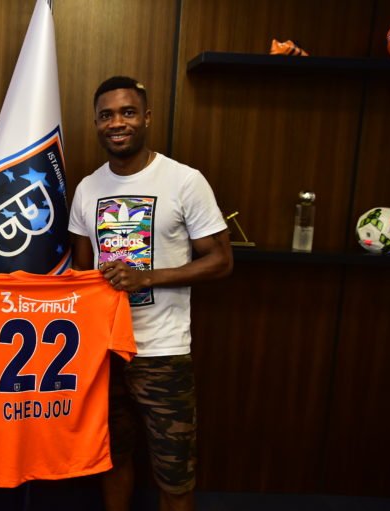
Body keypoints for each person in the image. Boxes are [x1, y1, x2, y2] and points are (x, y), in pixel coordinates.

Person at [68, 76, 233, 511]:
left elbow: (221, 261)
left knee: (175, 472)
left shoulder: (184, 180)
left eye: (127, 112)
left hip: (162, 352)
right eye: (106, 115)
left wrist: (145, 278)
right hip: (105, 353)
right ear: (96, 123)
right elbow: (81, 271)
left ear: (146, 118)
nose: (116, 123)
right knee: (112, 459)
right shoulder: (87, 188)